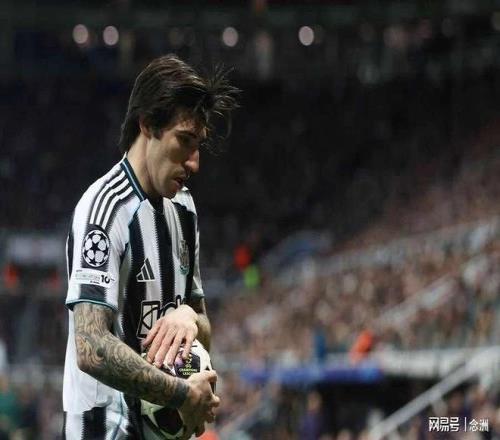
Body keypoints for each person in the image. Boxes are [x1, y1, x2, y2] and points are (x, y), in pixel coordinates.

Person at [62, 54, 239, 439]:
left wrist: (188, 317)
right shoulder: (104, 210)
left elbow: (203, 331)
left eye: (199, 145)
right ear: (147, 124)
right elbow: (90, 345)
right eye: (184, 141)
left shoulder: (184, 209)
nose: (194, 162)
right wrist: (182, 394)